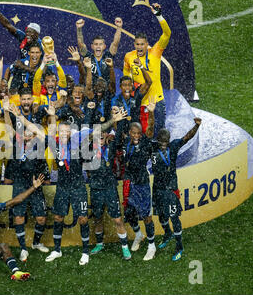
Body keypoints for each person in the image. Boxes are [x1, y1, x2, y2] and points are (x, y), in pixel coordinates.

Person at [44, 105, 128, 265]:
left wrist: (113, 121)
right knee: (58, 217)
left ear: (70, 133)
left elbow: (96, 133)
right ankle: (56, 250)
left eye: (67, 131)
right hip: (62, 188)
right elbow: (49, 130)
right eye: (61, 131)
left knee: (83, 219)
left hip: (78, 187)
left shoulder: (78, 145)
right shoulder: (55, 147)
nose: (64, 133)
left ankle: (85, 252)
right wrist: (53, 116)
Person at [3, 97, 51, 262]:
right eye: (26, 133)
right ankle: (23, 248)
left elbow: (42, 134)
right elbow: (9, 127)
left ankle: (36, 243)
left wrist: (22, 118)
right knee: (19, 218)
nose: (29, 136)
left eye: (31, 133)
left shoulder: (39, 144)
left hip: (36, 185)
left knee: (41, 218)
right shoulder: (16, 145)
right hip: (20, 185)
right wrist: (6, 111)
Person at [151, 118, 201, 261]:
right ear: (157, 139)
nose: (163, 144)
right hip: (157, 188)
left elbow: (187, 137)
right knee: (160, 215)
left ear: (169, 140)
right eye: (161, 141)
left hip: (170, 189)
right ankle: (167, 234)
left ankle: (179, 246)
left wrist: (197, 126)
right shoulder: (152, 147)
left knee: (174, 217)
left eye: (165, 141)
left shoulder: (174, 146)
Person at [86, 115, 131, 260]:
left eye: (103, 133)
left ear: (106, 135)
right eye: (97, 134)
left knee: (117, 219)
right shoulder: (87, 148)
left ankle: (125, 247)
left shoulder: (111, 146)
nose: (100, 135)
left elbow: (120, 134)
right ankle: (99, 244)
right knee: (97, 218)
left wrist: (119, 119)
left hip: (110, 188)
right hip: (95, 188)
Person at [123, 3, 171, 137]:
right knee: (140, 134)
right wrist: (130, 86)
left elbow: (167, 34)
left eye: (142, 44)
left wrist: (159, 16)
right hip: (139, 102)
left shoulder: (155, 52)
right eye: (137, 44)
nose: (139, 47)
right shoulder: (129, 56)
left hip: (157, 100)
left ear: (147, 44)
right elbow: (126, 73)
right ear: (134, 44)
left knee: (160, 131)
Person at [118, 97, 157, 261]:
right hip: (129, 182)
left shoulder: (146, 143)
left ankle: (151, 245)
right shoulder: (127, 142)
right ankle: (139, 234)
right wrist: (117, 119)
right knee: (129, 213)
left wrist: (152, 113)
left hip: (141, 183)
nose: (135, 135)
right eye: (133, 133)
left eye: (138, 133)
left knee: (146, 216)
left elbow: (151, 128)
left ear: (141, 134)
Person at [76, 17, 123, 85]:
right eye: (96, 44)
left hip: (106, 91)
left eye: (100, 44)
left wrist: (119, 27)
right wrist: (79, 29)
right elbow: (81, 44)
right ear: (92, 46)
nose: (98, 46)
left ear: (104, 46)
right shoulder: (88, 57)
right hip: (91, 91)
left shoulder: (108, 56)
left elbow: (115, 43)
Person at [111, 58, 152, 135]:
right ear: (120, 87)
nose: (127, 88)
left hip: (136, 134)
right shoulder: (115, 100)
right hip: (122, 134)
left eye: (129, 85)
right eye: (124, 85)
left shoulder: (136, 97)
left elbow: (149, 82)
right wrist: (121, 135)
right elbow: (114, 121)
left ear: (132, 86)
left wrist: (141, 67)